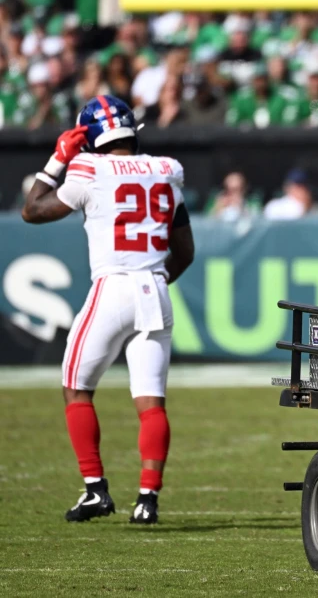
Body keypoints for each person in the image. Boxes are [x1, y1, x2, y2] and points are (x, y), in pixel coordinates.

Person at [21, 95, 195, 524]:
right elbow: (185, 252)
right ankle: (147, 500)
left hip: (112, 287)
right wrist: (150, 281)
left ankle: (96, 490)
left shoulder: (86, 168)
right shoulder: (167, 170)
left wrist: (56, 159)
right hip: (155, 289)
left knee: (75, 387)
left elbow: (32, 210)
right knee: (151, 403)